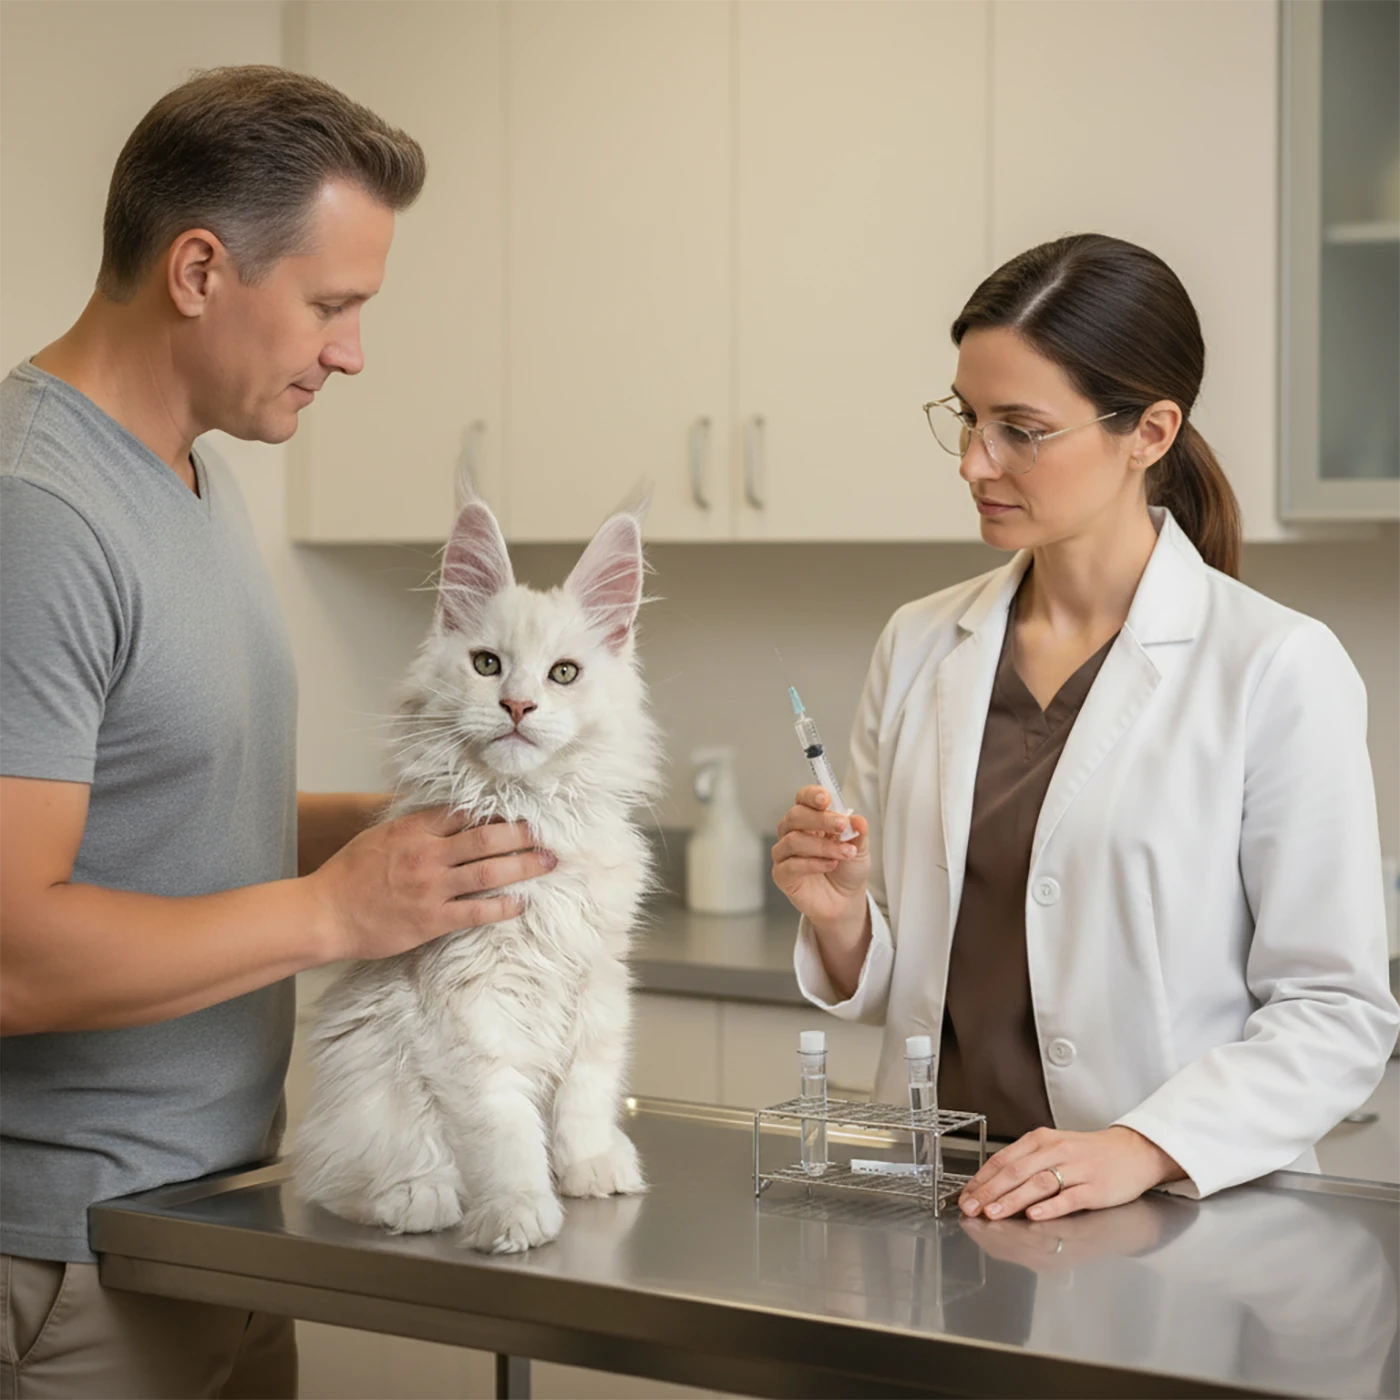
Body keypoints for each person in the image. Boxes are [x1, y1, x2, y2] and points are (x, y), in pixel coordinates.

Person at [0, 67, 554, 1398]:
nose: (351, 350)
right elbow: (11, 952)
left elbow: (165, 811)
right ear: (199, 269)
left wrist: (391, 839)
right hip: (72, 1258)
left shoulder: (194, 479)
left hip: (223, 1218)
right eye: (332, 304)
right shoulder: (39, 513)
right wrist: (337, 912)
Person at [772, 233, 1400, 1225]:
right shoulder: (921, 641)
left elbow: (1335, 1011)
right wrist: (841, 915)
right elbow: (914, 971)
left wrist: (1138, 1147)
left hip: (1170, 1224)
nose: (975, 460)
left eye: (1021, 427)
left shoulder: (1274, 664)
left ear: (1148, 430)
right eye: (966, 417)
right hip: (944, 1202)